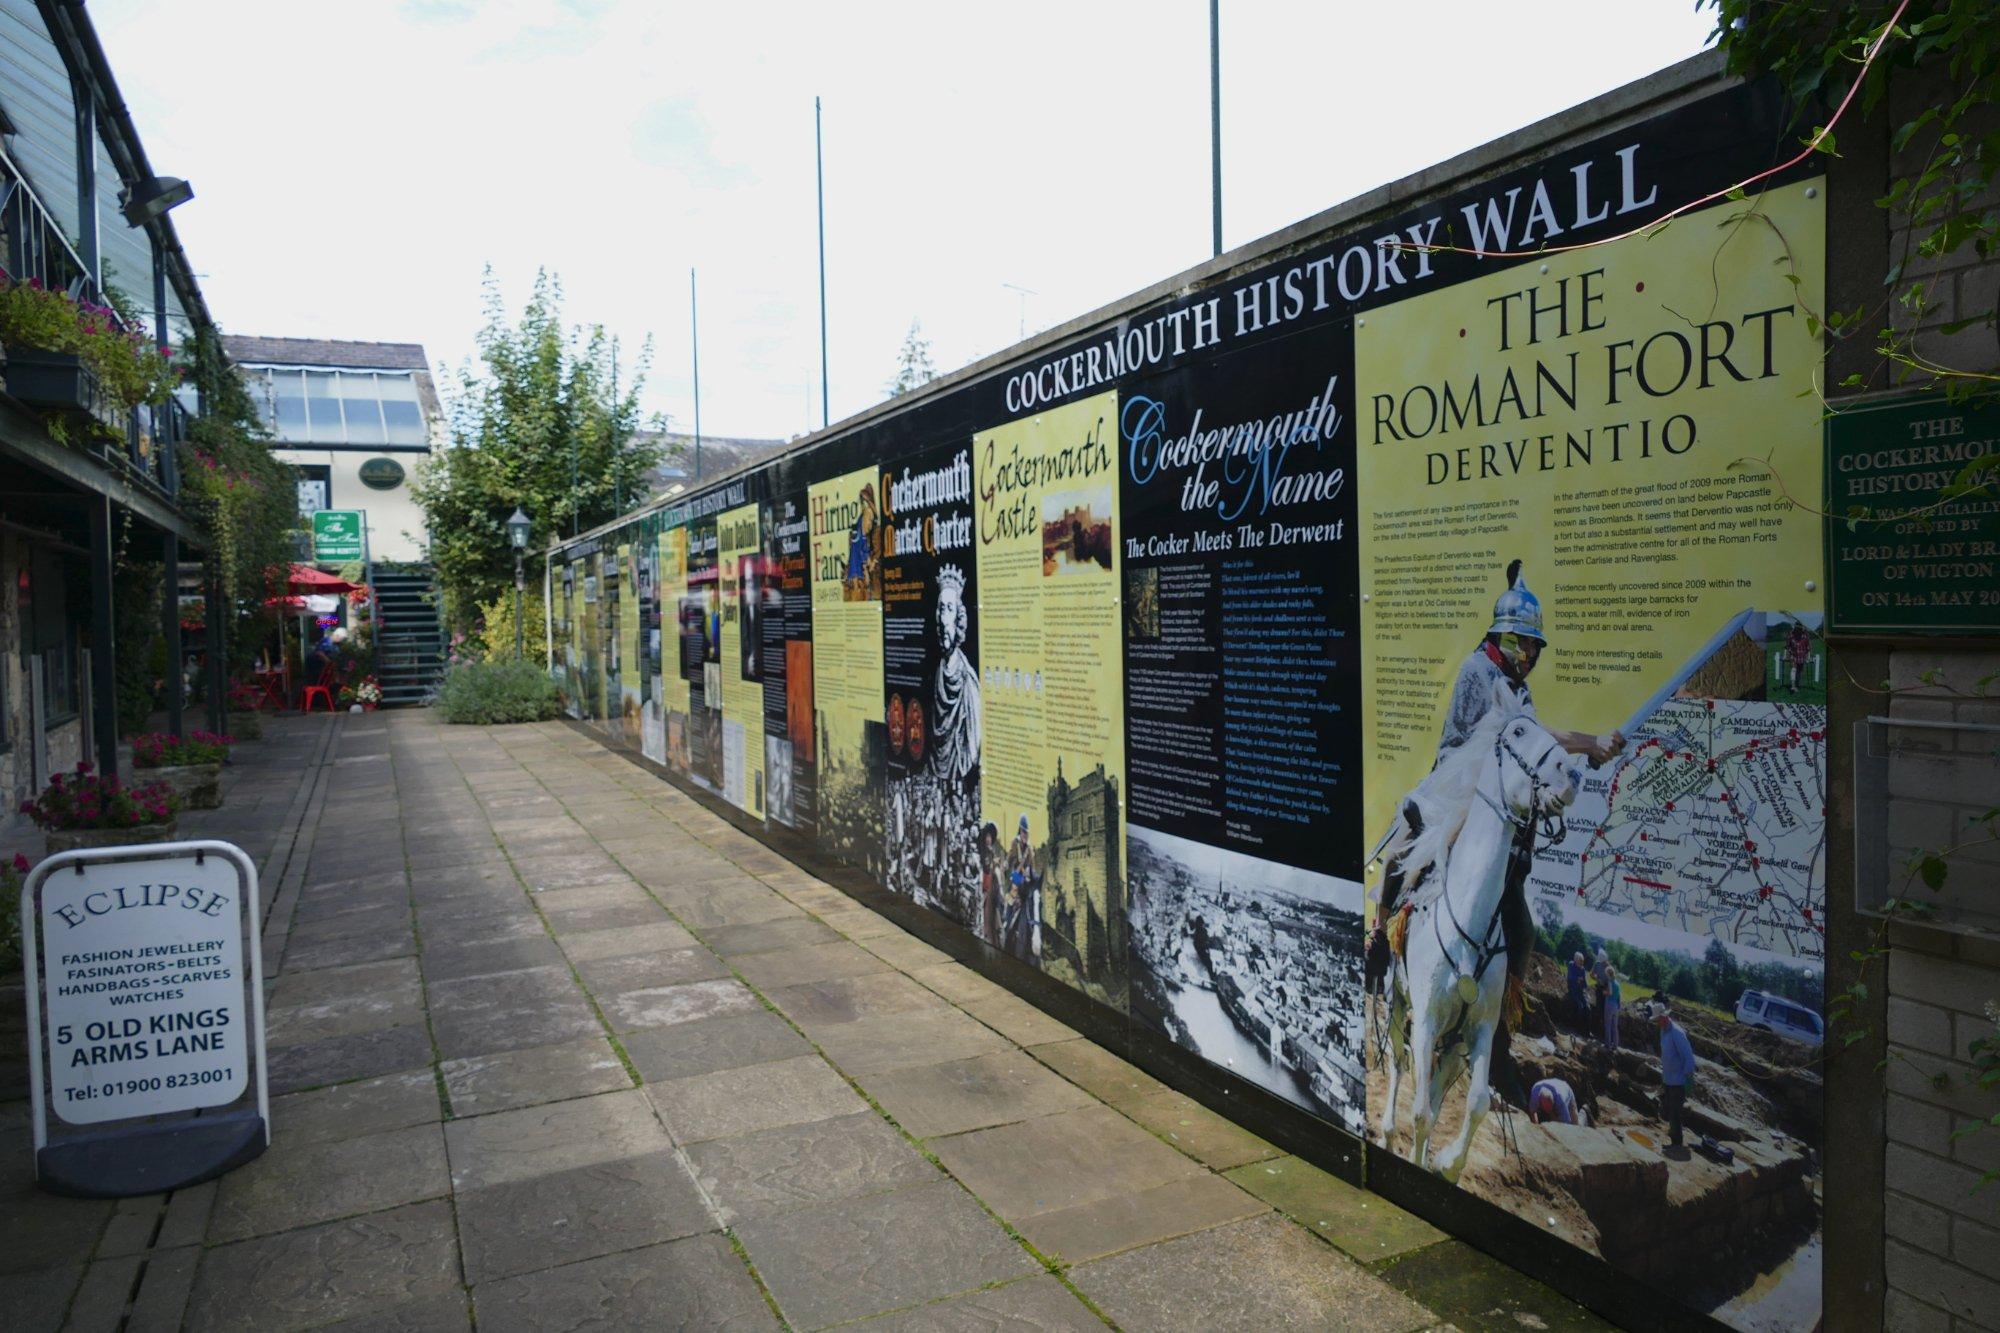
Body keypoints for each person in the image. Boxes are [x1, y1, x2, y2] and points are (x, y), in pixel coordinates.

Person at [1369, 562, 1627, 1097]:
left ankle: (1497, 1028)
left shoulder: (1516, 686)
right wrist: (1585, 741)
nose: (1529, 655)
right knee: (1404, 847)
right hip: (1455, 787)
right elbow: (1494, 739)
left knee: (1523, 929)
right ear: (1503, 637)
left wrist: (1585, 751)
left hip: (1491, 800)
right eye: (1523, 643)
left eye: (1535, 647)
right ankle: (1380, 940)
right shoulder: (1475, 671)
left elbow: (1530, 739)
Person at [1656, 1007, 1696, 1150]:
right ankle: (1674, 1136)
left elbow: (1688, 1058)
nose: (1656, 1023)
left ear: (1665, 1018)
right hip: (1668, 1079)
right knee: (1669, 1110)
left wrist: (1688, 1081)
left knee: (1675, 1112)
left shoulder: (1677, 1033)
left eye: (1658, 1020)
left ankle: (1677, 1143)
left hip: (1678, 1082)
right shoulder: (1663, 1031)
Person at [1784, 621, 1812, 694]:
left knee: (1799, 671)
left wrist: (1808, 657)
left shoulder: (1805, 635)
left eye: (1799, 628)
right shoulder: (1790, 635)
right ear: (1795, 627)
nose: (1798, 630)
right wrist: (1787, 655)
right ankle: (1793, 686)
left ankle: (1797, 685)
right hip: (1793, 655)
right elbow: (1787, 646)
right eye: (1796, 628)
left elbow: (1808, 647)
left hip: (1802, 656)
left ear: (1801, 628)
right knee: (1793, 669)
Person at [1566, 951, 1589, 1028]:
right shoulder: (1571, 964)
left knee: (1587, 1007)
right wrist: (1577, 979)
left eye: (1582, 961)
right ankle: (1576, 1025)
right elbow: (1570, 977)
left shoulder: (1582, 969)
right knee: (1580, 1005)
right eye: (1580, 961)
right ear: (1575, 960)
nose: (1582, 963)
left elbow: (1584, 982)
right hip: (1572, 989)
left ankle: (1585, 1028)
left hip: (1580, 990)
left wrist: (1585, 986)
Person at [1602, 965, 1623, 1051]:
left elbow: (1609, 993)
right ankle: (1615, 1045)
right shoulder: (1617, 984)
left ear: (1608, 974)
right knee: (1615, 1026)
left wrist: (1604, 992)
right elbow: (1619, 996)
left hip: (1609, 1004)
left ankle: (1608, 1045)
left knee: (1607, 1024)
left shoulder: (1610, 982)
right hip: (1616, 1006)